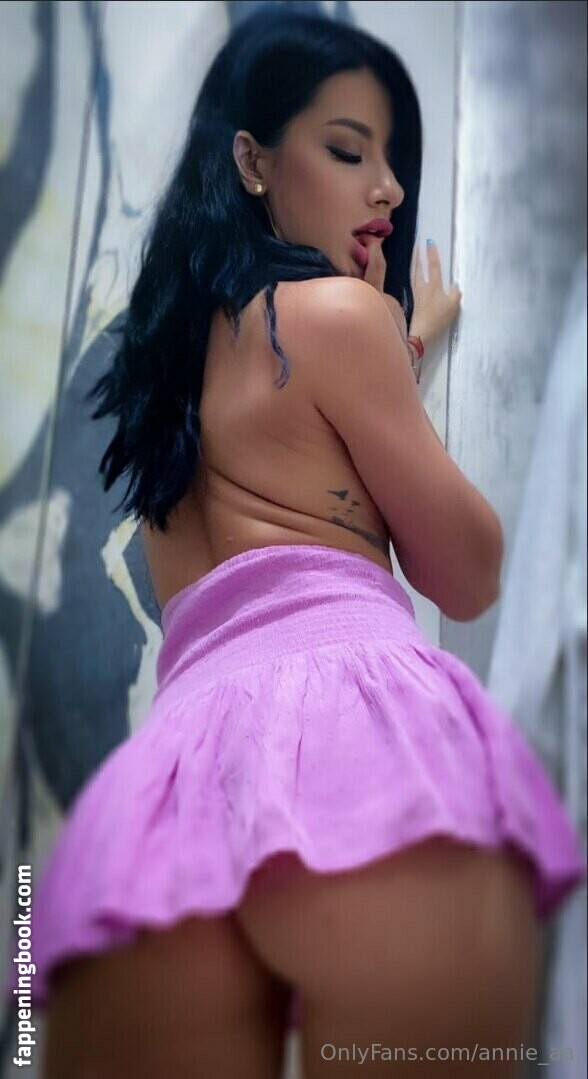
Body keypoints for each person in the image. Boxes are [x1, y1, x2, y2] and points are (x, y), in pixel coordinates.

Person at [7, 8, 585, 1078]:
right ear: (253, 161)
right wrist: (390, 339)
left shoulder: (163, 389)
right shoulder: (343, 321)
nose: (391, 190)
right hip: (361, 744)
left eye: (393, 162)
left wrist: (400, 346)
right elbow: (468, 571)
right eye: (350, 150)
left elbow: (293, 451)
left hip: (155, 814)